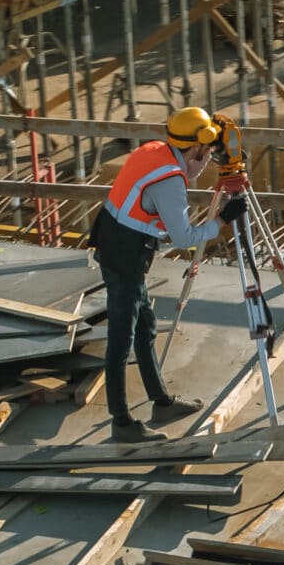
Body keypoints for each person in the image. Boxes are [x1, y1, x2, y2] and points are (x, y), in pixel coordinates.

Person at [91, 106, 232, 441]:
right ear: (196, 147)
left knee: (145, 326)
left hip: (119, 241)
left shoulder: (154, 150)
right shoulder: (170, 180)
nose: (207, 160)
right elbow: (184, 238)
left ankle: (161, 402)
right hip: (124, 254)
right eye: (208, 153)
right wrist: (222, 221)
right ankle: (122, 423)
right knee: (121, 338)